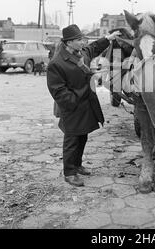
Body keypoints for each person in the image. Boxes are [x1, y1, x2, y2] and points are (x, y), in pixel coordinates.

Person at [46, 24, 119, 187]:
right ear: (69, 42)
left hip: (85, 105)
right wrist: (83, 91)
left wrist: (108, 38)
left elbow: (94, 47)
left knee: (82, 136)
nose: (83, 42)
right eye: (79, 40)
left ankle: (77, 165)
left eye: (82, 39)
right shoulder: (57, 63)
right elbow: (58, 92)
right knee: (72, 140)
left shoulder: (81, 53)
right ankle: (69, 173)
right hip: (72, 107)